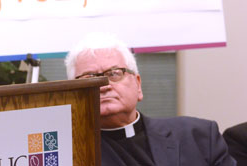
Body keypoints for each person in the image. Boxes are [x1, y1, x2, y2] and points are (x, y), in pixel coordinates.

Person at [65, 32, 236, 166]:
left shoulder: (199, 136)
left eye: (114, 73)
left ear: (138, 85)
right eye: (90, 78)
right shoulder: (67, 155)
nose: (105, 85)